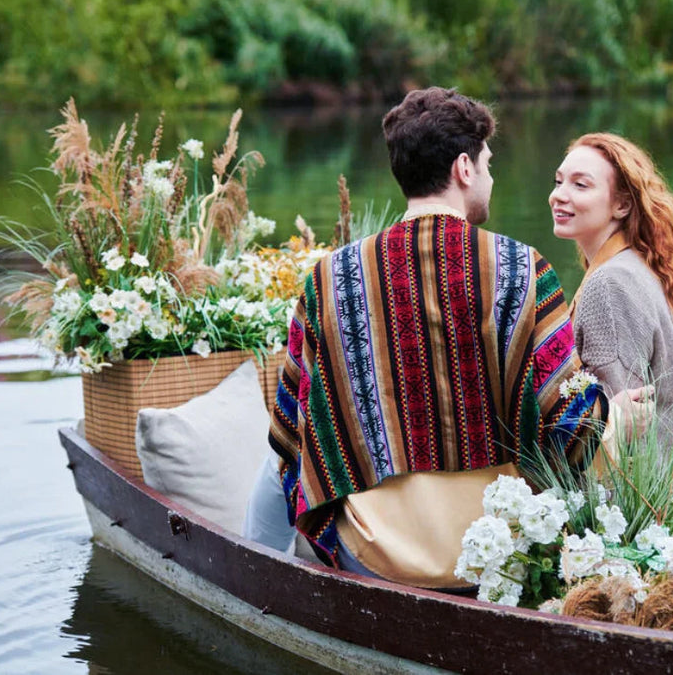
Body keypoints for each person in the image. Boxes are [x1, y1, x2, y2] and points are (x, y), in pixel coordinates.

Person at [249, 88, 622, 589]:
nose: (490, 177)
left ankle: (257, 580)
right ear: (464, 169)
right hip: (500, 555)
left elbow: (292, 426)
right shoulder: (521, 269)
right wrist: (619, 415)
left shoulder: (329, 277)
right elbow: (569, 426)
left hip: (374, 555)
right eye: (487, 165)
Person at [549, 132, 673, 552]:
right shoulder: (638, 266)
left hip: (669, 526)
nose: (559, 195)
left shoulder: (610, 286)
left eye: (581, 185)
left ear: (622, 204)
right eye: (559, 181)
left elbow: (620, 432)